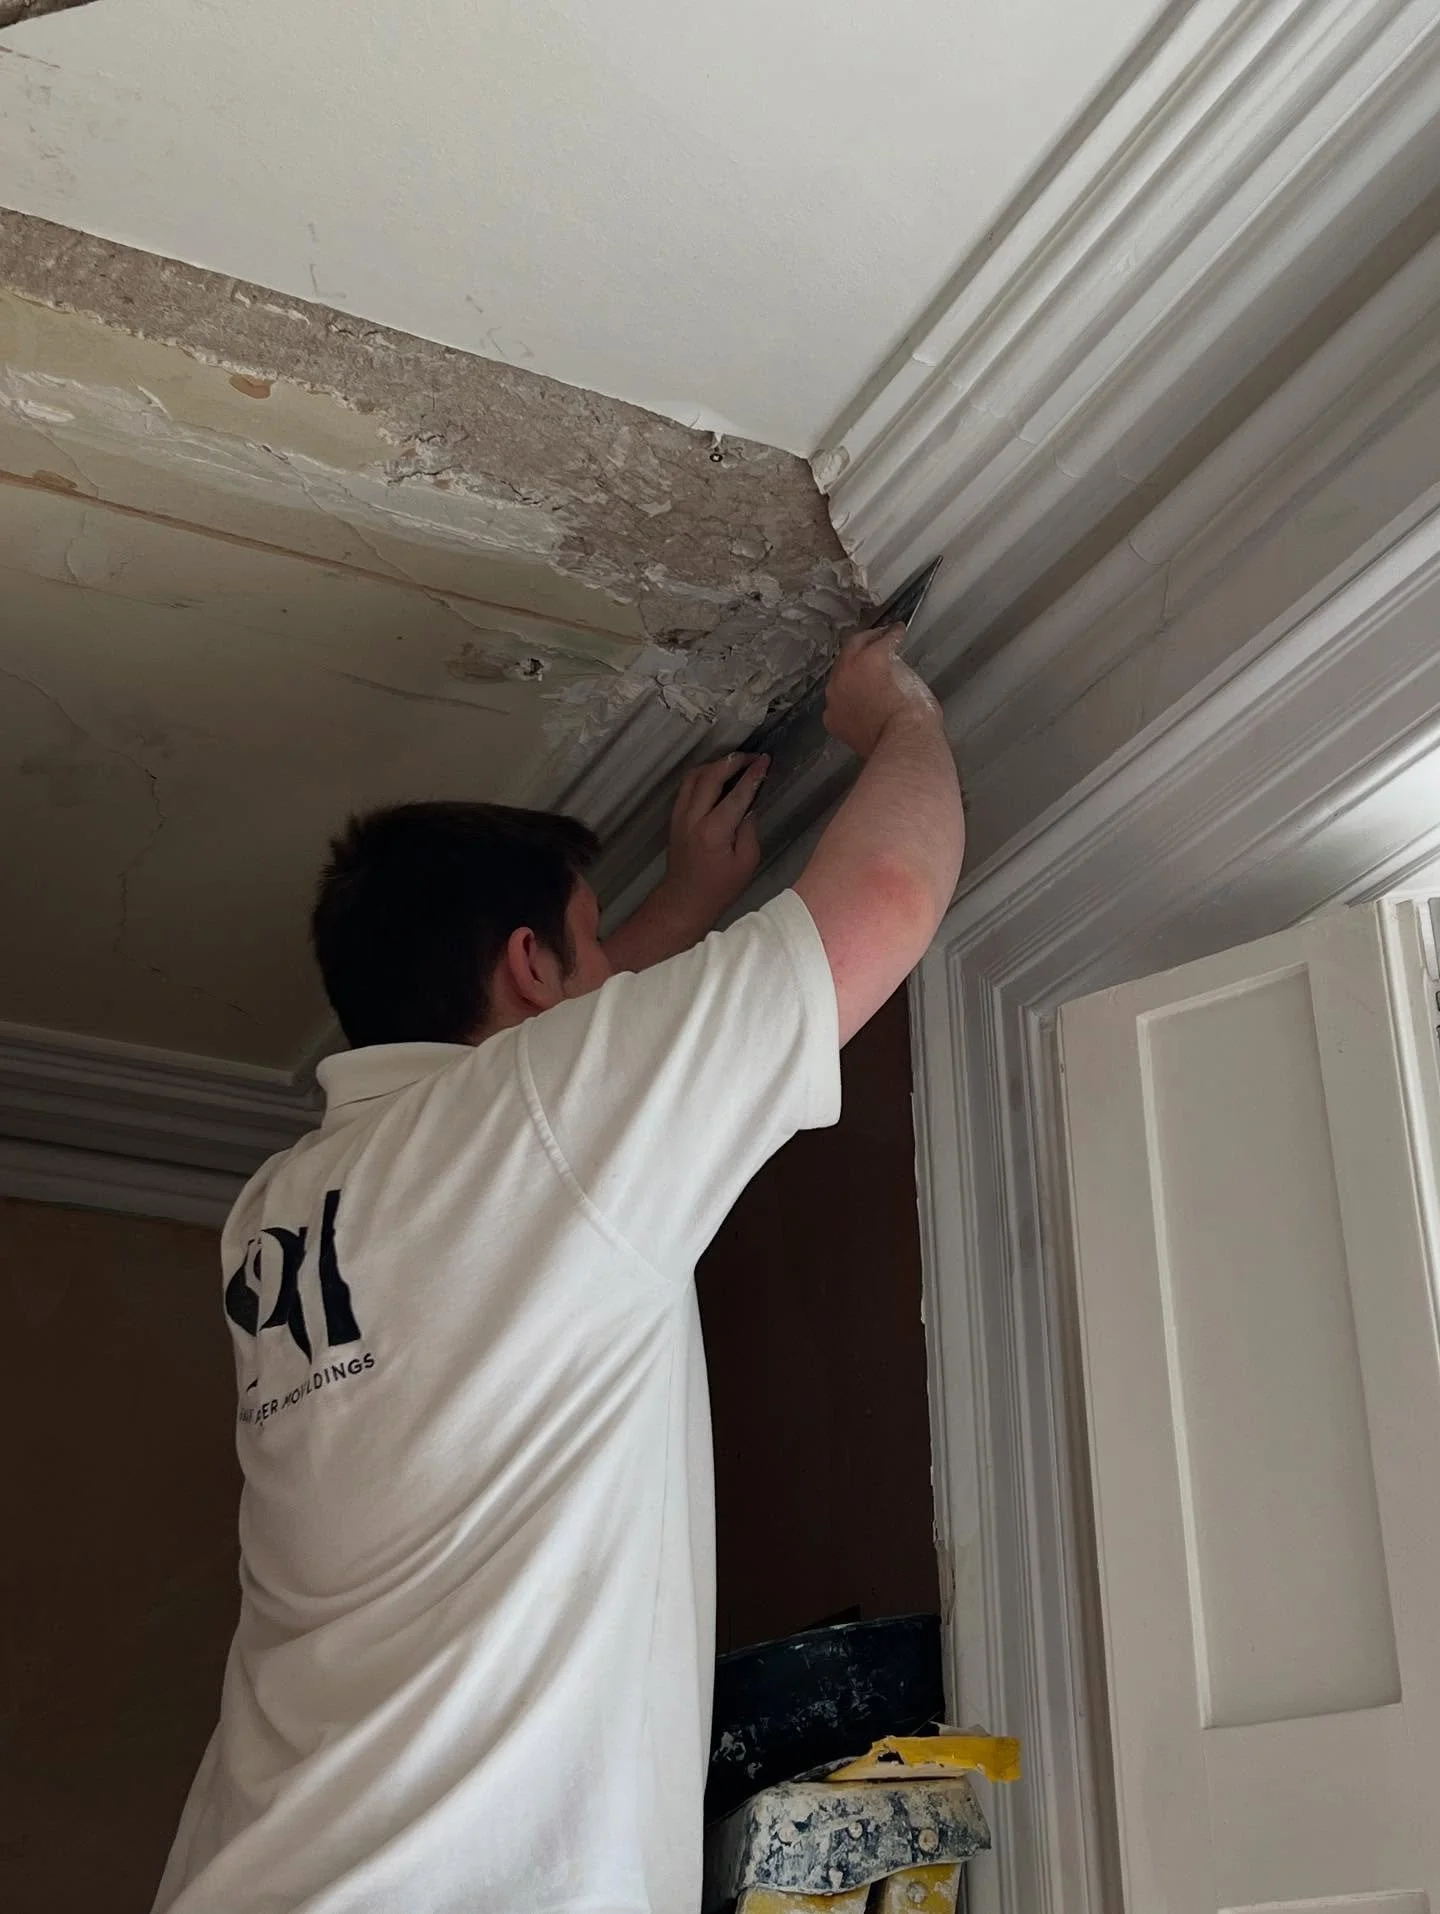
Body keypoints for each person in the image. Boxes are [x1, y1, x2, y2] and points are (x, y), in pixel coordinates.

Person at [153, 621, 965, 1914]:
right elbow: (888, 901)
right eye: (583, 943)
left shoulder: (279, 1209)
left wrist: (677, 911)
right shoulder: (528, 1133)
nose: (601, 970)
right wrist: (901, 716)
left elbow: (538, 1084)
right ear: (527, 966)